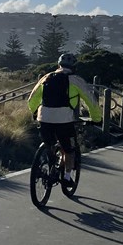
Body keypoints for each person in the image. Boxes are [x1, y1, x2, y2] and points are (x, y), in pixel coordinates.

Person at [27, 52, 102, 182]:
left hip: (44, 117)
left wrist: (35, 112)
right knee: (69, 149)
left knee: (49, 143)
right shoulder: (76, 80)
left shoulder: (46, 77)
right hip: (64, 120)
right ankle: (67, 177)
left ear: (58, 64)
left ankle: (47, 164)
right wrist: (96, 118)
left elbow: (32, 99)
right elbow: (91, 101)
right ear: (74, 67)